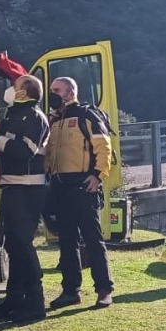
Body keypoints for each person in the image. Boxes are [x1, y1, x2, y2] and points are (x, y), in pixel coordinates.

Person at [44, 76, 114, 309]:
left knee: (93, 239)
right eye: (51, 90)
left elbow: (104, 146)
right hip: (60, 186)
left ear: (70, 92)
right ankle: (70, 290)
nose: (52, 93)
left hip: (84, 184)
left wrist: (97, 175)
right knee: (66, 241)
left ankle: (104, 289)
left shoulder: (86, 115)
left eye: (57, 90)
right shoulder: (54, 121)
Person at [0, 72, 51, 321]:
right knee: (13, 245)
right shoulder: (14, 113)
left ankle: (36, 303)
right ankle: (15, 299)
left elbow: (23, 152)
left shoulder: (34, 117)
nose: (10, 89)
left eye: (15, 86)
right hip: (12, 185)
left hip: (28, 188)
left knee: (22, 243)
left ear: (24, 92)